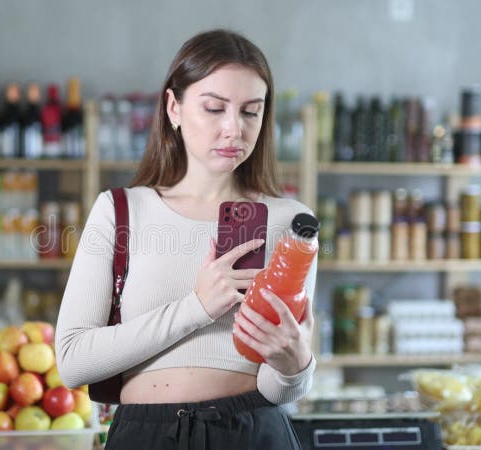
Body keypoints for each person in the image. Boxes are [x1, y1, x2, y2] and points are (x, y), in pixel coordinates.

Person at [55, 29, 317, 450]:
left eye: (251, 112)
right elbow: (73, 361)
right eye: (214, 108)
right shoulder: (120, 211)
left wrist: (296, 364)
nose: (234, 129)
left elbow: (279, 389)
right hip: (145, 435)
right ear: (173, 107)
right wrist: (197, 307)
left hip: (254, 432)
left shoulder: (293, 222)